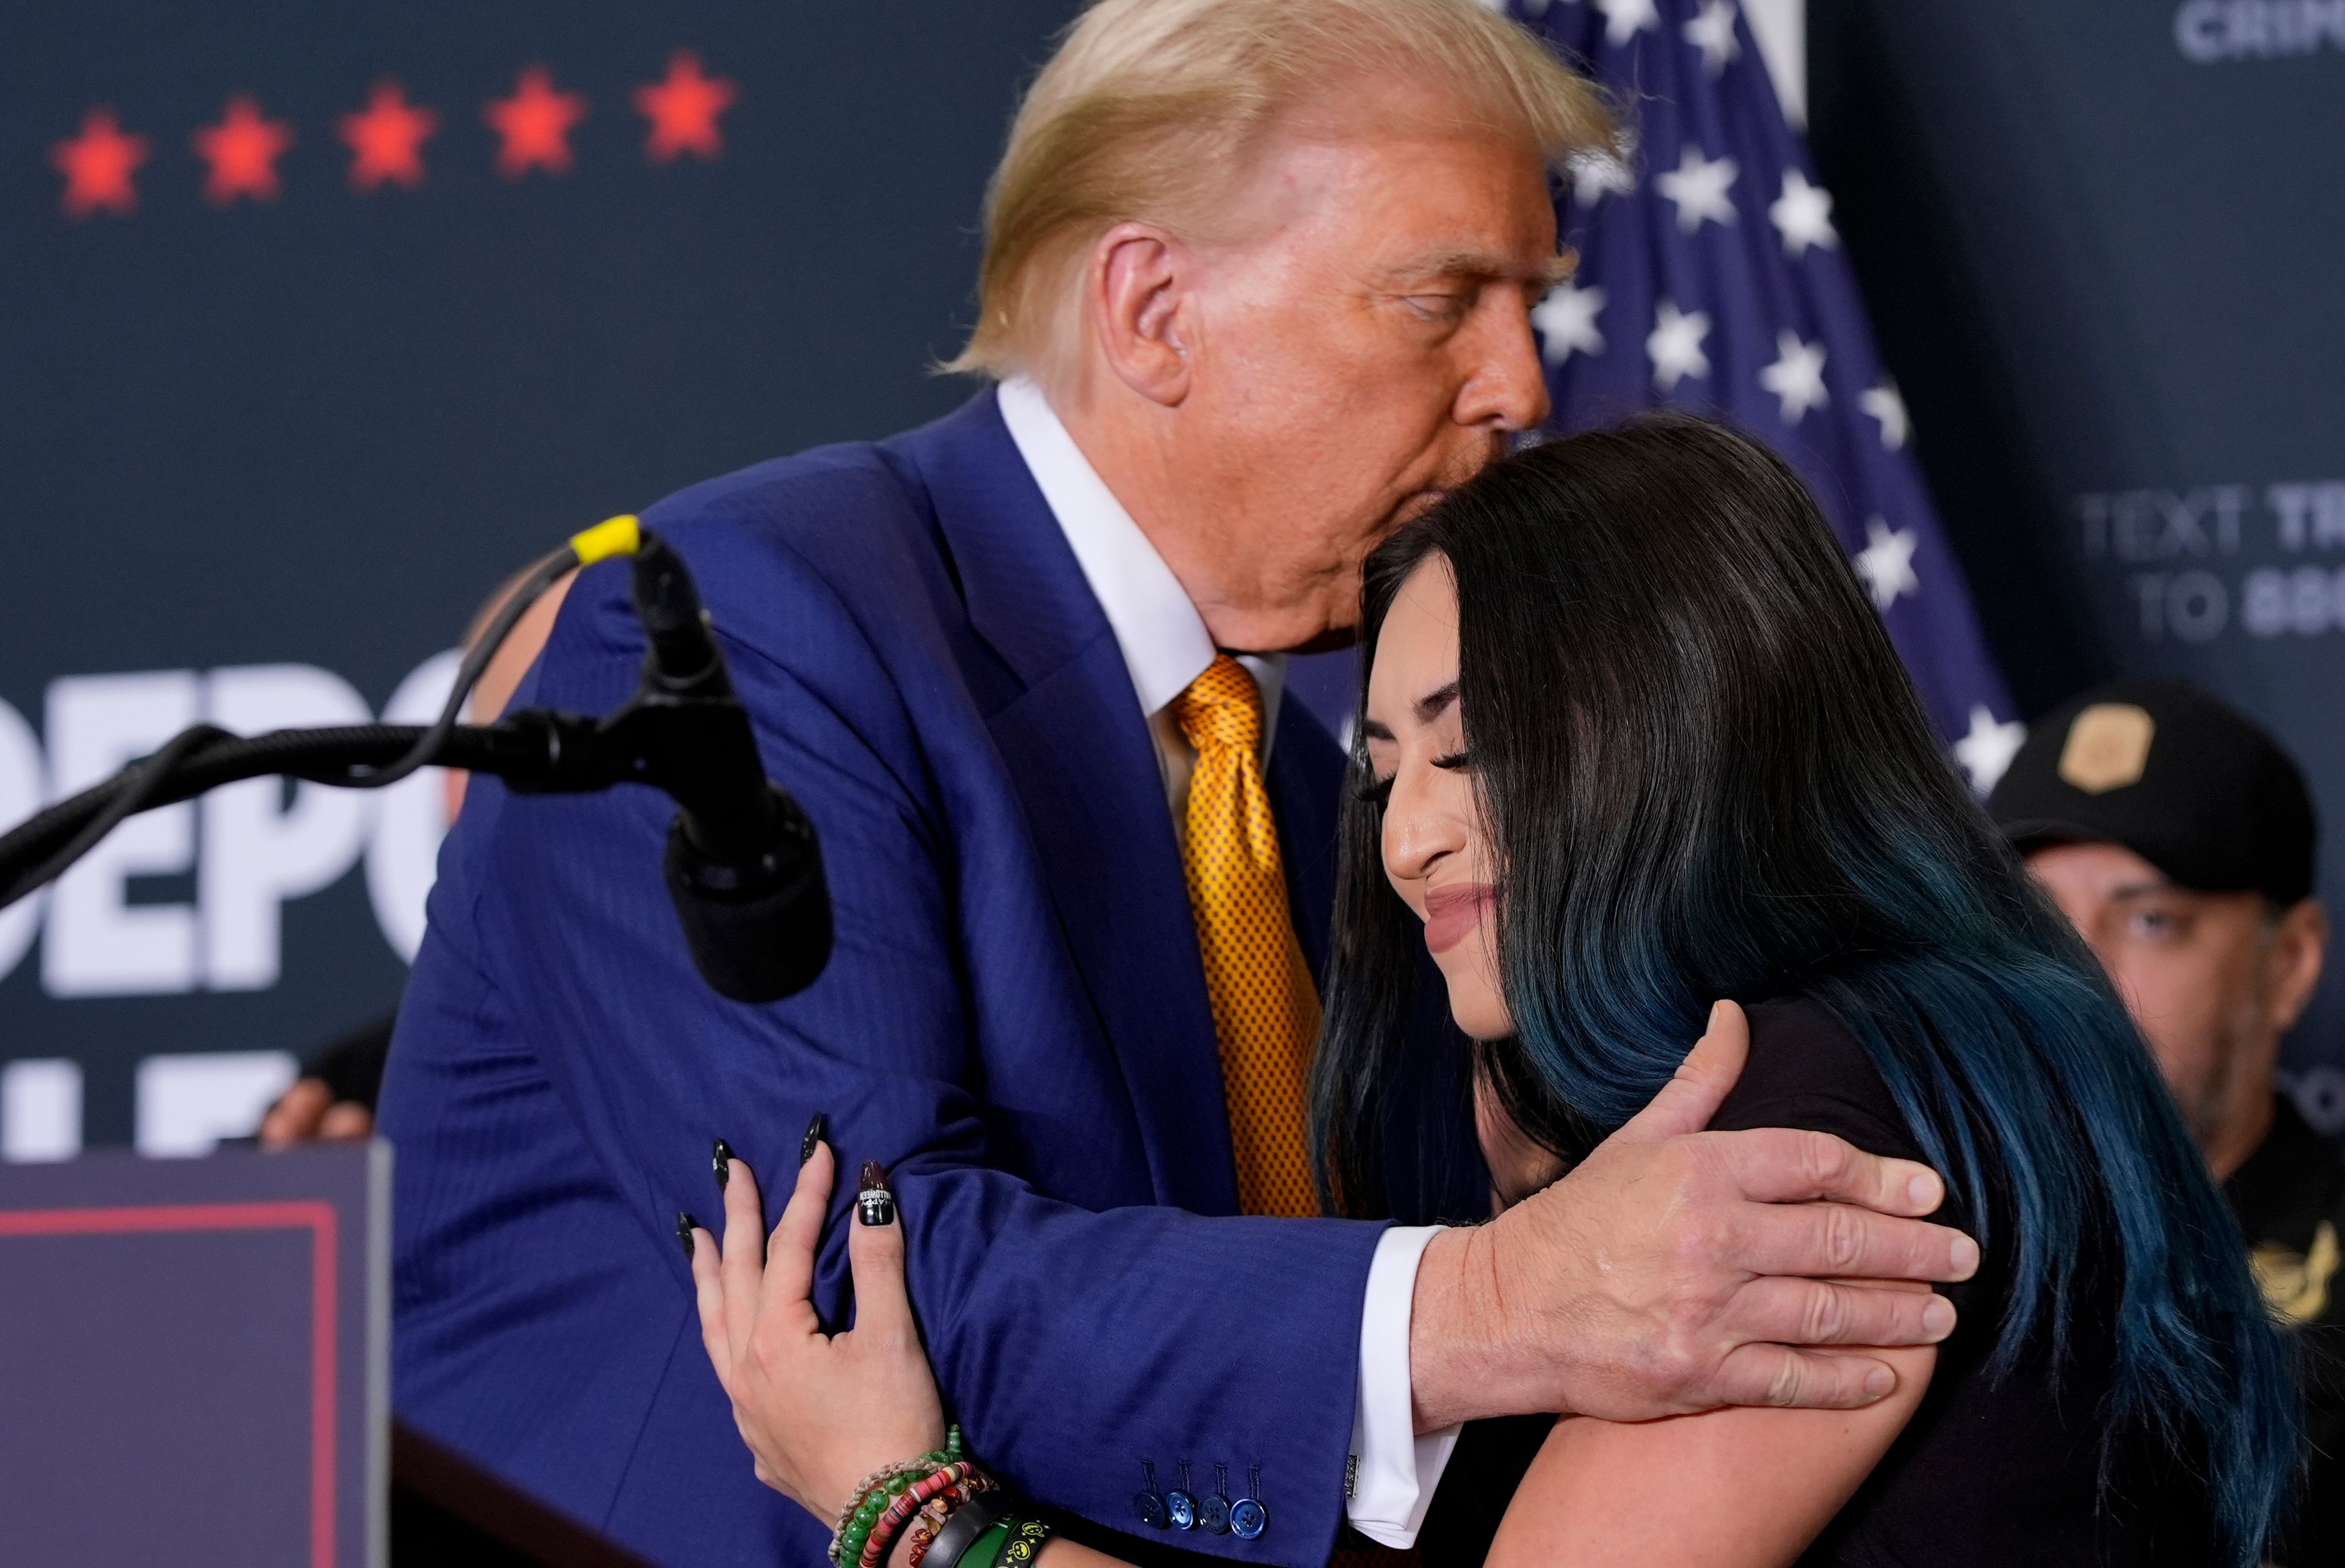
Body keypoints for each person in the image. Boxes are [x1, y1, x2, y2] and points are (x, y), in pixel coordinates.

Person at [377, 5, 1975, 1564]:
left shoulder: (1308, 776)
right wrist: (1498, 1301)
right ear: (1152, 309)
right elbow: (855, 1280)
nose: (1523, 387)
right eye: (1442, 300)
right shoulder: (748, 631)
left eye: (1530, 304)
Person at [688, 421, 2298, 1567]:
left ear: (1689, 722)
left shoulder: (1816, 1112)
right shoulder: (1916, 1052)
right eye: (1389, 772)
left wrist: (912, 1515)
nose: (1410, 838)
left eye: (1476, 749)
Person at [1990, 680, 2343, 1564]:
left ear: (2290, 964)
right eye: (2036, 921)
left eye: (2149, 922)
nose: (2077, 980)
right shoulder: (1908, 1247)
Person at [258, 562, 556, 1149]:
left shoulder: (774, 1048)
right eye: (556, 737)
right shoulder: (356, 1098)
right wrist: (325, 1222)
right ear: (462, 786)